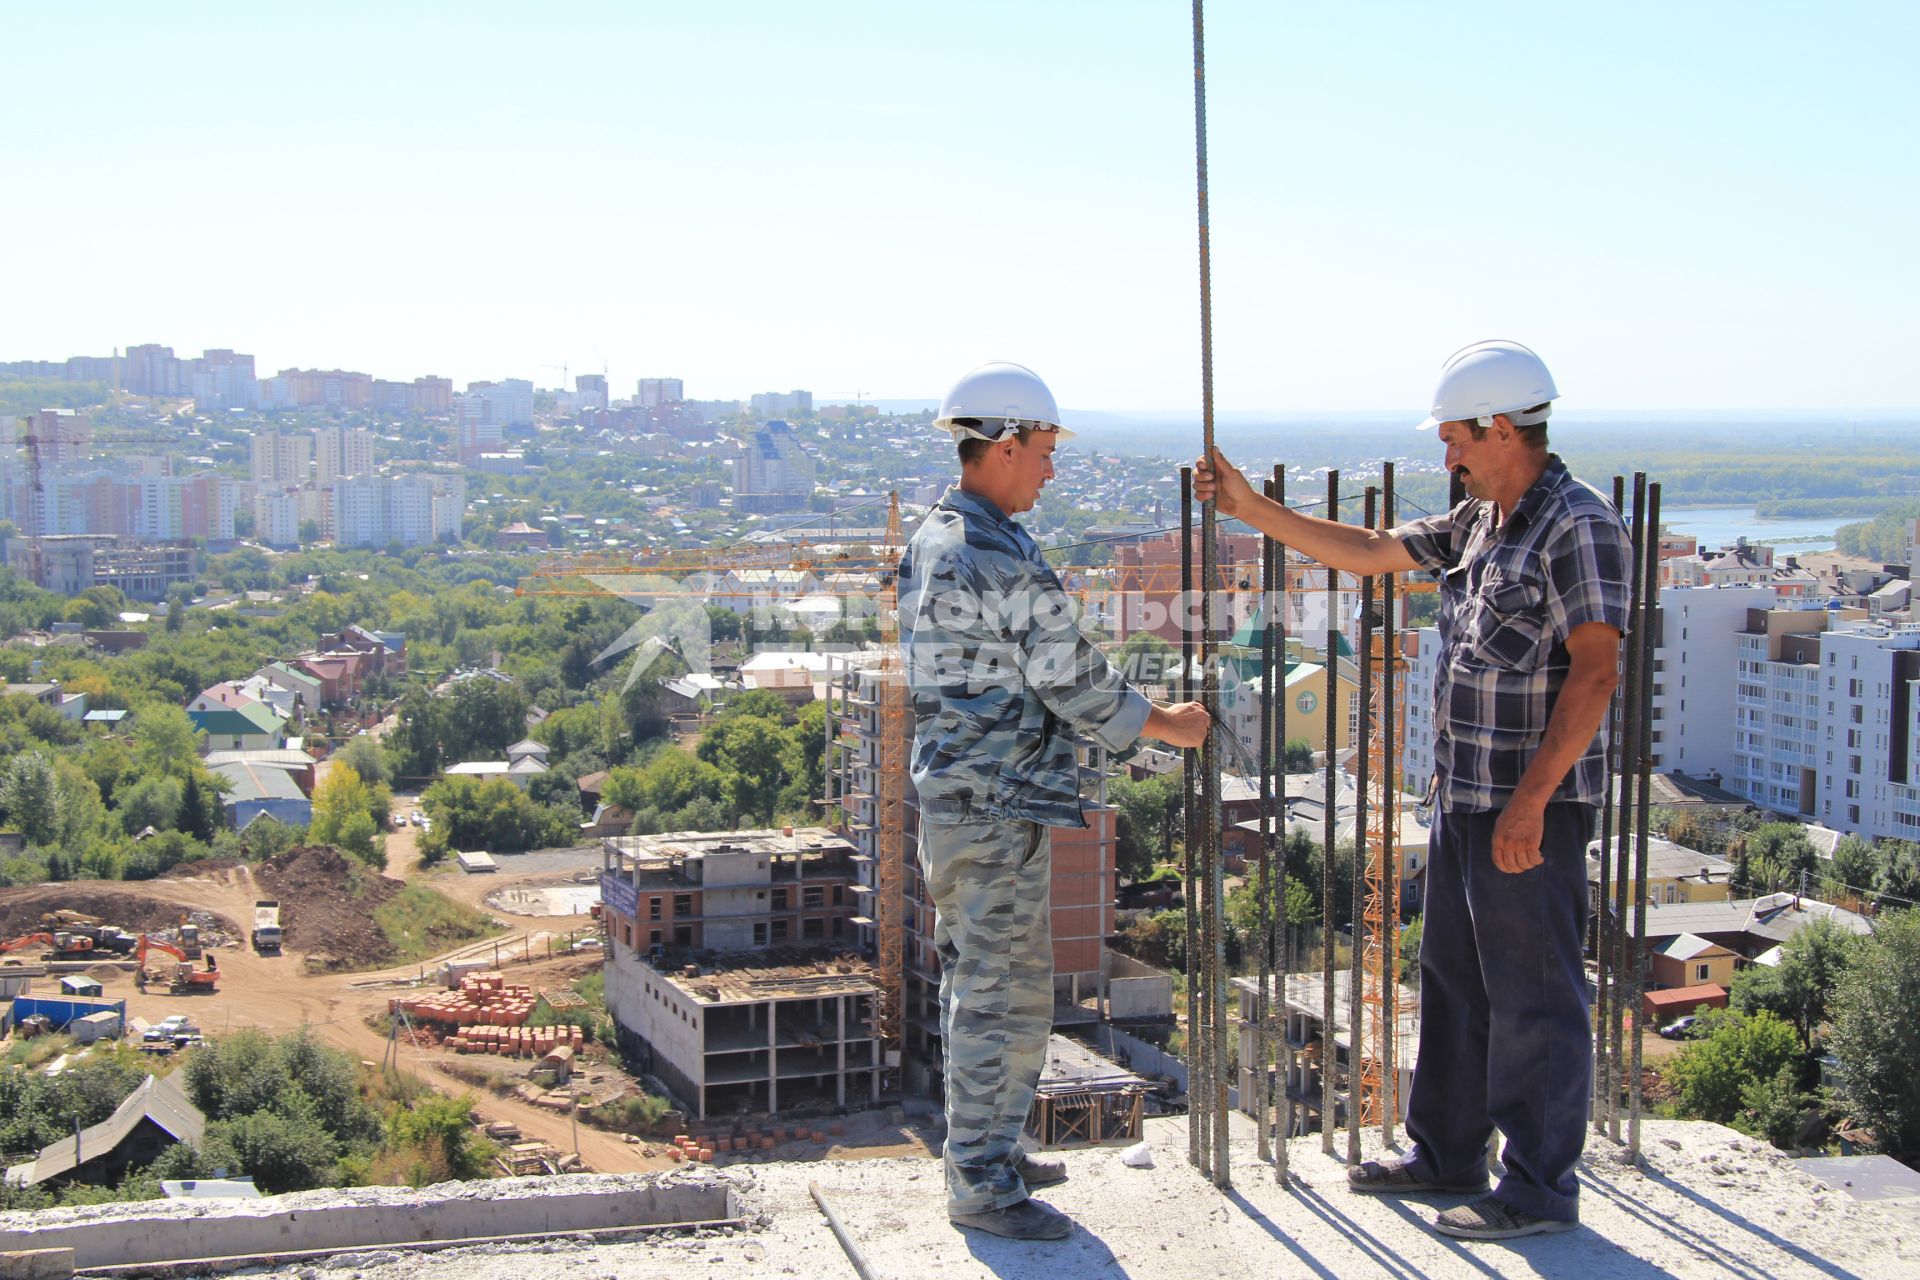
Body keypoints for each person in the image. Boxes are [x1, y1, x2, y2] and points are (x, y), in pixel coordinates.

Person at [1194, 340, 1630, 1241]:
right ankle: (1447, 1153)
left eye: (1456, 440)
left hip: (1526, 811)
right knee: (1457, 983)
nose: (1448, 458)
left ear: (1502, 429)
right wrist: (1249, 507)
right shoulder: (1484, 519)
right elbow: (1368, 550)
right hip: (1466, 796)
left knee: (1535, 995)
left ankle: (1539, 1191)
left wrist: (1531, 803)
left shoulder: (1576, 526)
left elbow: (1594, 675)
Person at [900, 361, 1211, 1241]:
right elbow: (1072, 681)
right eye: (1042, 450)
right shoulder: (984, 551)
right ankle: (983, 1185)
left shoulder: (943, 534)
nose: (1049, 468)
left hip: (981, 800)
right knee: (998, 995)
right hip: (991, 806)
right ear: (1002, 446)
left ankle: (991, 1150)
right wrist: (1169, 725)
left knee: (1002, 986)